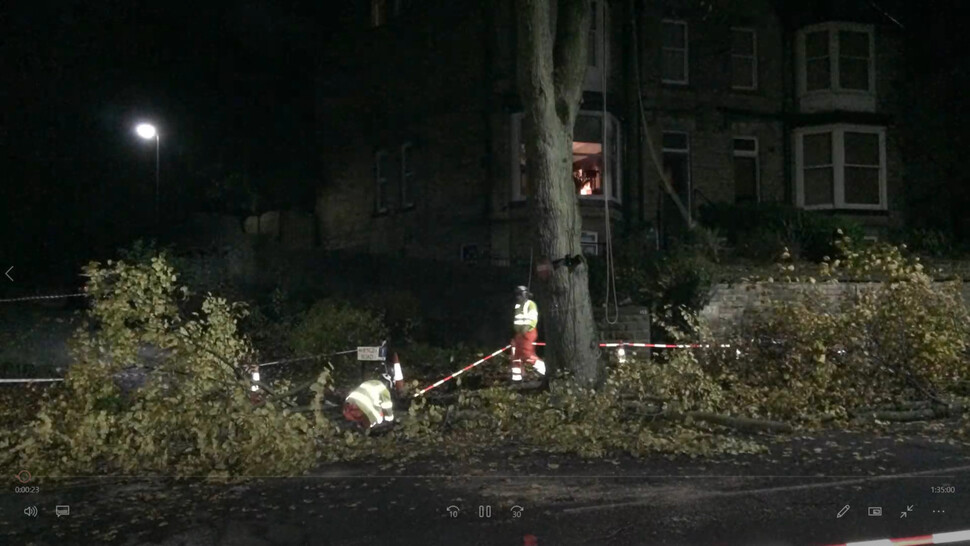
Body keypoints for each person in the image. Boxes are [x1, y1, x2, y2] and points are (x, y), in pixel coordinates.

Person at [343, 354, 408, 430]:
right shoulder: (383, 389)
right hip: (362, 410)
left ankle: (356, 423)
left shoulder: (371, 383)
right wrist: (390, 420)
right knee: (378, 417)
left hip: (348, 406)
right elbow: (387, 407)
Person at [511, 285, 546, 381]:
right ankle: (516, 378)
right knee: (516, 355)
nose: (517, 297)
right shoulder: (518, 305)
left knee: (526, 354)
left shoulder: (531, 304)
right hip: (518, 333)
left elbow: (533, 319)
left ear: (525, 294)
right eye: (516, 295)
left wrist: (526, 329)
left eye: (519, 294)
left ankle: (543, 369)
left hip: (528, 332)